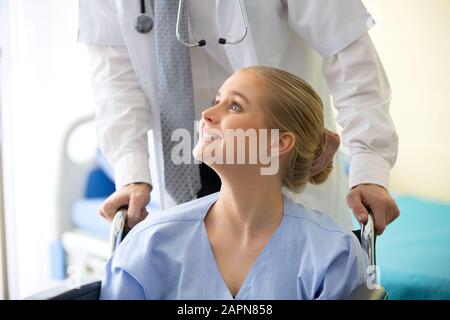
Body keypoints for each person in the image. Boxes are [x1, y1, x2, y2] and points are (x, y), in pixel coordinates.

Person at [78, 0, 399, 234]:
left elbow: (348, 53)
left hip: (285, 169)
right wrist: (131, 172)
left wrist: (369, 166)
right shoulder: (155, 253)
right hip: (179, 171)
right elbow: (114, 79)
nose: (208, 115)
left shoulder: (324, 257)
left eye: (231, 105)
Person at [100, 66, 369, 300]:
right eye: (216, 100)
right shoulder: (149, 245)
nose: (207, 113)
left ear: (277, 142)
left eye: (235, 106)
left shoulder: (333, 254)